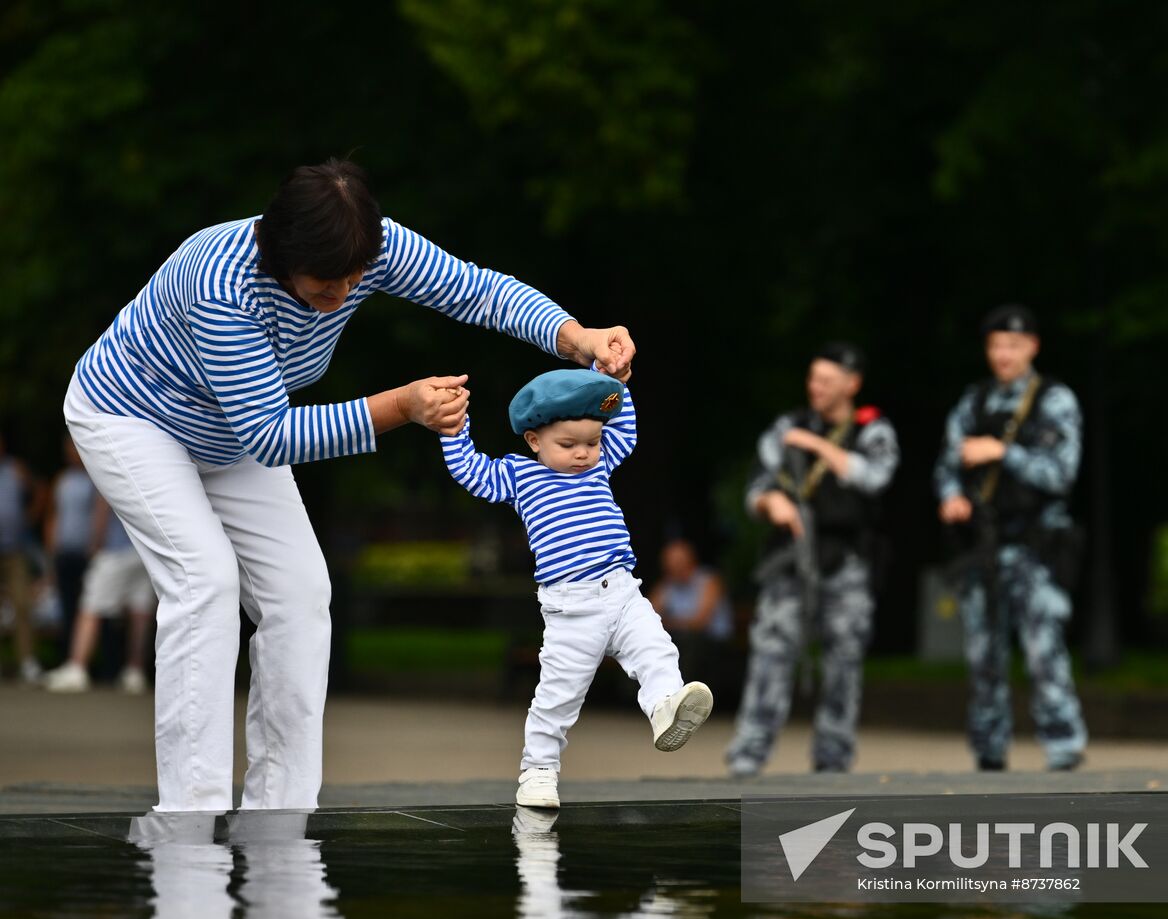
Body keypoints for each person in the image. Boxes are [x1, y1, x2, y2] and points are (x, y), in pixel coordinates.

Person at [64, 158, 634, 813]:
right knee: (205, 580)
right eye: (324, 284)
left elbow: (477, 291)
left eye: (353, 280)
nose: (340, 296)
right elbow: (274, 436)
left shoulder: (373, 247)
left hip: (230, 429)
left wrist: (577, 337)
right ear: (278, 256)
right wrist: (403, 406)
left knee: (302, 593)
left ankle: (280, 807)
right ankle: (189, 811)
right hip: (133, 417)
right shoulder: (221, 282)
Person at [441, 368, 713, 808]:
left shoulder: (601, 462)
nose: (584, 454)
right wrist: (455, 427)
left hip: (622, 590)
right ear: (534, 441)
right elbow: (471, 472)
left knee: (657, 649)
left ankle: (665, 706)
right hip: (572, 607)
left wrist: (611, 378)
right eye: (568, 445)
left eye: (592, 442)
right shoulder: (519, 476)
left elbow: (625, 423)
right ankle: (539, 770)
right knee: (558, 696)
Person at [725, 342, 899, 776]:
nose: (815, 387)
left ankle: (833, 760)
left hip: (846, 562)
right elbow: (756, 487)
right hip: (790, 557)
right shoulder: (789, 425)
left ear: (851, 384)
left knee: (844, 658)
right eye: (812, 378)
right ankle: (748, 757)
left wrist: (817, 446)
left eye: (826, 380)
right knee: (771, 652)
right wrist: (771, 504)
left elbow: (874, 477)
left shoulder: (872, 429)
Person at [933, 304, 1088, 771]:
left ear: (1032, 347)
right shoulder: (974, 401)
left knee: (1044, 649)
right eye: (997, 345)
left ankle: (1063, 745)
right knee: (982, 653)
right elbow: (947, 463)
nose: (1004, 354)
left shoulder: (1054, 400)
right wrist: (950, 495)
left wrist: (1004, 451)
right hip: (984, 541)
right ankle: (989, 749)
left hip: (1036, 543)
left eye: (1014, 345)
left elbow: (1061, 474)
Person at [44, 494, 156, 694]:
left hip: (114, 550)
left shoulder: (114, 464)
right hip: (144, 551)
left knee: (90, 607)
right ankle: (135, 671)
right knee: (140, 612)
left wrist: (95, 544)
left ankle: (77, 667)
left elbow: (102, 508)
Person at [650, 539, 733, 684]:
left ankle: (681, 692)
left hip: (713, 643)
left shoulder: (708, 580)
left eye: (678, 561)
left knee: (688, 641)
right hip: (681, 637)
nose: (674, 566)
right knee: (651, 639)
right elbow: (647, 616)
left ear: (690, 560)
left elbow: (700, 622)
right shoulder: (668, 585)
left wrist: (667, 622)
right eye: (669, 563)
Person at [45, 433, 97, 666]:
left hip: (88, 553)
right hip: (65, 553)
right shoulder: (62, 480)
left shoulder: (96, 478)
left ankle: (97, 665)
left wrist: (94, 547)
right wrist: (51, 550)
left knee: (91, 607)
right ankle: (67, 659)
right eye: (69, 447)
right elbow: (53, 515)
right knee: (66, 607)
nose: (72, 452)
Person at [0, 431, 44, 684]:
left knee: (22, 605)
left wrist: (30, 517)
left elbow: (39, 490)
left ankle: (27, 661)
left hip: (14, 549)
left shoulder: (15, 468)